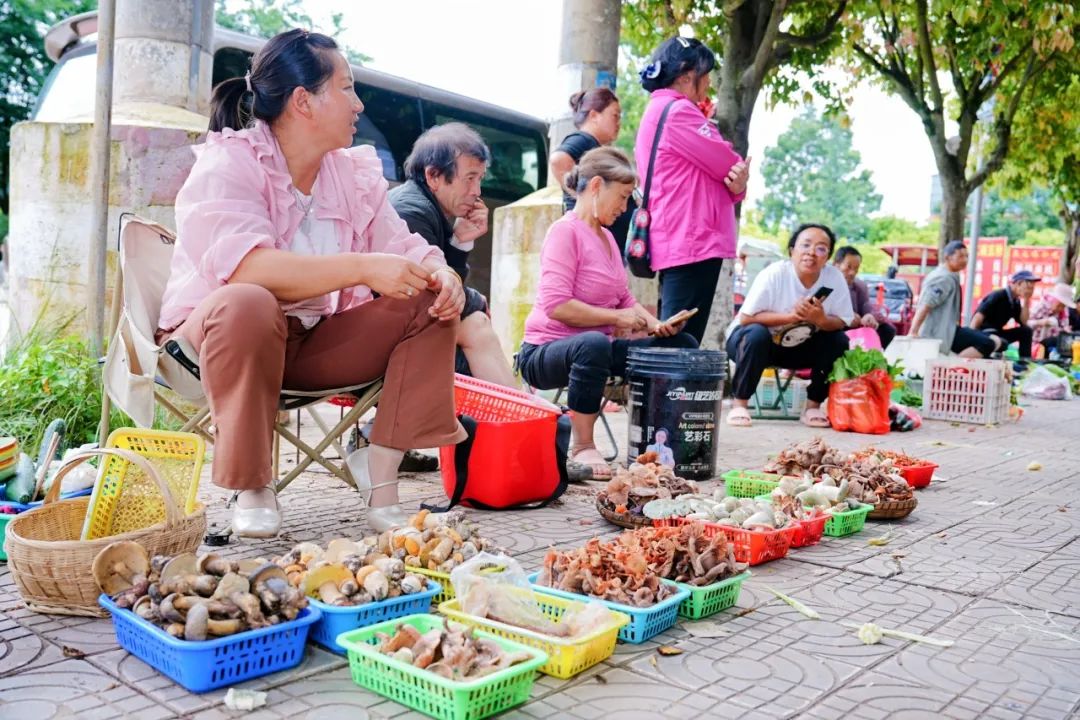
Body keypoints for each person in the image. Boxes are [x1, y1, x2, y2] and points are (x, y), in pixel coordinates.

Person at [157, 29, 466, 537]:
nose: (359, 104)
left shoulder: (351, 177)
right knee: (249, 301)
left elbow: (405, 246)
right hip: (218, 346)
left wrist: (443, 273)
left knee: (431, 299)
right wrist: (363, 268)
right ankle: (252, 484)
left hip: (307, 344)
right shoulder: (230, 162)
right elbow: (248, 268)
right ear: (303, 101)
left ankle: (380, 471)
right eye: (346, 88)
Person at [517, 147, 698, 480]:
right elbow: (558, 306)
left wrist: (658, 325)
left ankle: (660, 441)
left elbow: (624, 298)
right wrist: (616, 319)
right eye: (624, 196)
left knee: (682, 345)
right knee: (594, 344)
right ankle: (583, 444)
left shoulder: (608, 241)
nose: (625, 207)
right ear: (597, 185)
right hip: (544, 353)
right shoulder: (565, 232)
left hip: (594, 350)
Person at [634, 36, 751, 343]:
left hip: (682, 239)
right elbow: (728, 163)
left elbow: (728, 174)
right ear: (686, 75)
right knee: (678, 343)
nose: (709, 82)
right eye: (705, 74)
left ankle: (657, 390)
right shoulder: (679, 112)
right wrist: (737, 181)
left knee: (678, 338)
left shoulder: (660, 110)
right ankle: (654, 391)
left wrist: (736, 184)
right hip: (692, 240)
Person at [388, 123, 517, 388]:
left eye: (480, 179)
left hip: (407, 328)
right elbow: (432, 292)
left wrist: (459, 241)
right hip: (386, 338)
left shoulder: (425, 206)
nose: (477, 192)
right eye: (470, 178)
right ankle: (526, 420)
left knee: (473, 330)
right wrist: (475, 301)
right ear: (434, 176)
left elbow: (445, 284)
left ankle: (523, 417)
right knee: (475, 329)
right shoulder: (411, 212)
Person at [724, 223, 853, 429]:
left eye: (820, 248)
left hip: (798, 346)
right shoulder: (774, 274)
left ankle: (813, 407)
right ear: (792, 251)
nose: (811, 253)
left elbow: (843, 320)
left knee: (838, 339)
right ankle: (740, 404)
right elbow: (747, 318)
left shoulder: (834, 278)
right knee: (757, 334)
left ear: (827, 257)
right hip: (753, 344)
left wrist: (820, 320)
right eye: (805, 245)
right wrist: (791, 317)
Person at [549, 88, 635, 250]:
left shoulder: (592, 145)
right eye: (615, 116)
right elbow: (558, 160)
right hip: (591, 241)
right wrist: (583, 195)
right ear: (594, 115)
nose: (618, 123)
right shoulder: (583, 140)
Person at [910, 241, 995, 358]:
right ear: (947, 257)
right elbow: (926, 305)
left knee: (989, 343)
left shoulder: (950, 275)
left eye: (966, 256)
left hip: (948, 329)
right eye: (960, 256)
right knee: (986, 343)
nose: (965, 260)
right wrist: (913, 332)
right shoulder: (943, 278)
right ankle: (954, 368)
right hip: (938, 332)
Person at [833, 246, 896, 349]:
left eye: (856, 269)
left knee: (888, 330)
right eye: (848, 267)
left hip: (856, 327)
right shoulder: (826, 282)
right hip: (834, 326)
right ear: (836, 265)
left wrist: (869, 316)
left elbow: (866, 306)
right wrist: (844, 316)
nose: (852, 272)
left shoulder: (859, 286)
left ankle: (870, 360)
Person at [970, 270, 1039, 358]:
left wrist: (1026, 301)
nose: (1030, 290)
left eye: (1032, 288)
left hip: (998, 332)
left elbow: (1024, 322)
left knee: (1026, 331)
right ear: (1018, 283)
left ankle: (1025, 361)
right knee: (1002, 342)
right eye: (1028, 287)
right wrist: (971, 337)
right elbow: (978, 317)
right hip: (985, 332)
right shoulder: (998, 295)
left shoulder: (1015, 301)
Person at [1028, 282, 1076, 356]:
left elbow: (1064, 327)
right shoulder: (1041, 306)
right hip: (1035, 342)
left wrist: (1066, 331)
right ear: (1053, 299)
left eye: (1063, 306)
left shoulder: (1064, 312)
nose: (1061, 308)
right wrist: (1041, 322)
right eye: (1059, 305)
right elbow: (1027, 323)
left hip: (1052, 344)